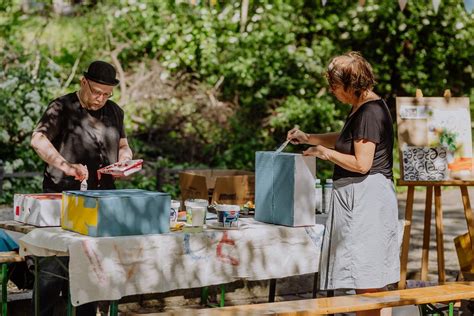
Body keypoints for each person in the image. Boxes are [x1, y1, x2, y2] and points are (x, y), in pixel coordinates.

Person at [287, 51, 399, 316]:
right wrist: (310, 138)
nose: (332, 91)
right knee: (363, 277)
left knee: (366, 280)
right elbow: (348, 138)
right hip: (361, 198)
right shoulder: (362, 108)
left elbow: (362, 163)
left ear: (352, 84)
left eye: (335, 86)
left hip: (368, 200)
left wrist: (324, 154)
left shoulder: (371, 111)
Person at [30, 60, 133, 315]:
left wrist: (125, 159)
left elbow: (123, 145)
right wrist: (66, 166)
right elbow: (38, 140)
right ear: (83, 82)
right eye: (96, 92)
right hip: (62, 199)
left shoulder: (115, 111)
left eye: (107, 94)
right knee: (52, 272)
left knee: (92, 271)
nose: (100, 99)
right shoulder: (61, 106)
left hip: (103, 203)